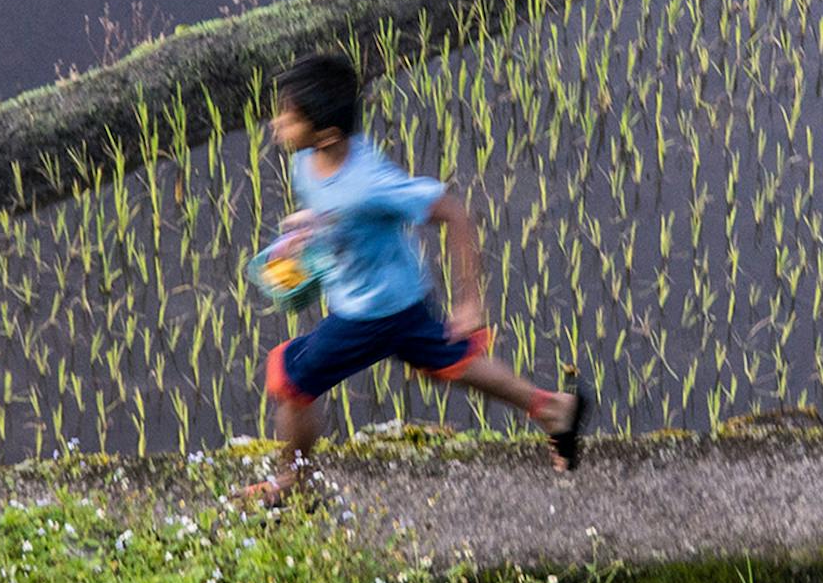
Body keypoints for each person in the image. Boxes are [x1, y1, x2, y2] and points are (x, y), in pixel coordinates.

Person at [244, 50, 588, 508]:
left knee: (291, 379)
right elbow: (345, 212)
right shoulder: (309, 159)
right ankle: (554, 409)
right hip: (401, 295)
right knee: (453, 361)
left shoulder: (370, 182)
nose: (276, 125)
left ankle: (292, 484)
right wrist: (311, 228)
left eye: (288, 118)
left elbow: (453, 212)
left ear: (326, 134)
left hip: (371, 312)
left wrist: (470, 303)